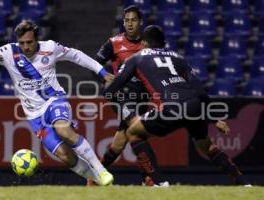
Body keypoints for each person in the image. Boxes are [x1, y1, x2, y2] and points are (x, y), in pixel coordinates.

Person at [104, 25, 251, 186]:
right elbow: (200, 91)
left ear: (144, 44)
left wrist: (124, 108)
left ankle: (158, 183)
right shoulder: (178, 57)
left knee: (133, 132)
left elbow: (112, 89)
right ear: (164, 42)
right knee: (207, 145)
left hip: (171, 107)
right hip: (193, 104)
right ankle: (243, 183)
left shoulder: (136, 58)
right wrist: (214, 119)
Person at [0, 20, 114, 186]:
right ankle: (98, 181)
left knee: (64, 131)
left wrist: (102, 72)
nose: (26, 47)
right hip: (34, 115)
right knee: (64, 156)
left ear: (37, 40)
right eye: (22, 43)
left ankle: (102, 172)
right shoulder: (8, 52)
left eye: (29, 42)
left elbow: (76, 55)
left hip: (54, 100)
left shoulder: (50, 48)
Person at [93, 5, 163, 186]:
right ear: (123, 22)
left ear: (140, 22)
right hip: (122, 95)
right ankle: (151, 179)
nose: (130, 24)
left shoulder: (148, 43)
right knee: (136, 133)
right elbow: (94, 64)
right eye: (127, 20)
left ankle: (95, 176)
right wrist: (105, 78)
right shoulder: (114, 43)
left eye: (133, 20)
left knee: (120, 142)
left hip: (142, 98)